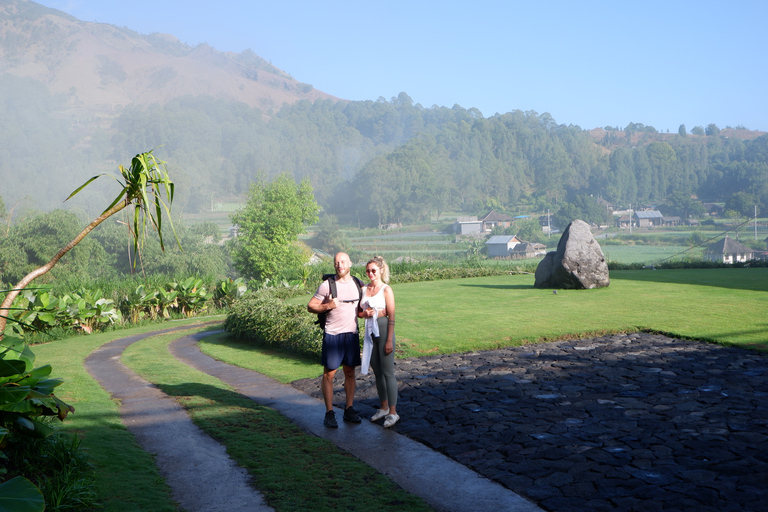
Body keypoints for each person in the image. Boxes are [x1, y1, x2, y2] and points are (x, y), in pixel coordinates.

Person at [307, 252, 363, 428]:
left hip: (351, 335)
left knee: (350, 373)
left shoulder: (357, 284)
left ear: (350, 263)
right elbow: (311, 306)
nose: (340, 265)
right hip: (333, 336)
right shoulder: (327, 286)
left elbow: (365, 304)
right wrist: (327, 306)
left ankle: (349, 409)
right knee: (329, 374)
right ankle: (329, 412)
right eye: (337, 262)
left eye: (343, 262)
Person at [358, 256, 399, 428]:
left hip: (383, 330)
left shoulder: (386, 289)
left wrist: (389, 340)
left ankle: (393, 412)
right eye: (368, 271)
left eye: (373, 270)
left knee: (388, 372)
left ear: (381, 270)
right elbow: (358, 313)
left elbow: (392, 316)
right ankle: (383, 407)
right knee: (377, 371)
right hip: (369, 331)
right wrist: (364, 314)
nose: (370, 274)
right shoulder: (364, 289)